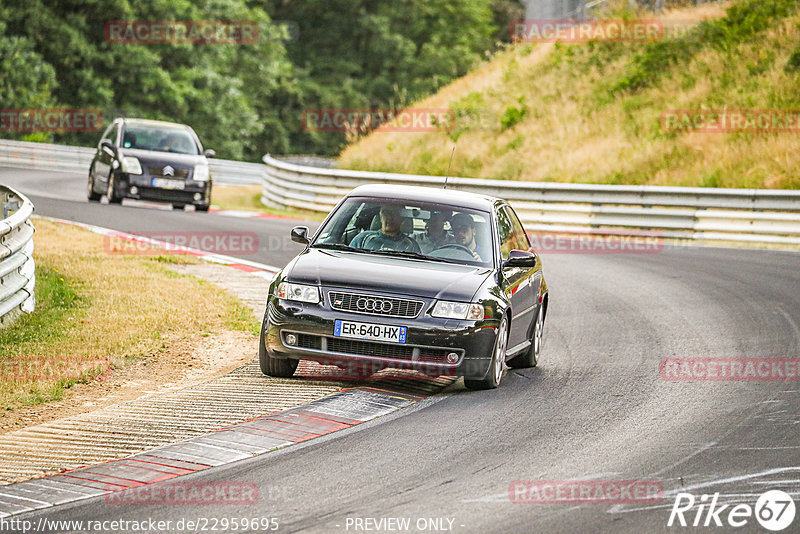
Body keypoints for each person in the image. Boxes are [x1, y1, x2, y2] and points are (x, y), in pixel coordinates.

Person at [349, 204, 421, 253]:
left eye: (395, 213)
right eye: (385, 212)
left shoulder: (411, 245)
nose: (389, 217)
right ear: (380, 217)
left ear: (402, 218)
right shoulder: (362, 239)